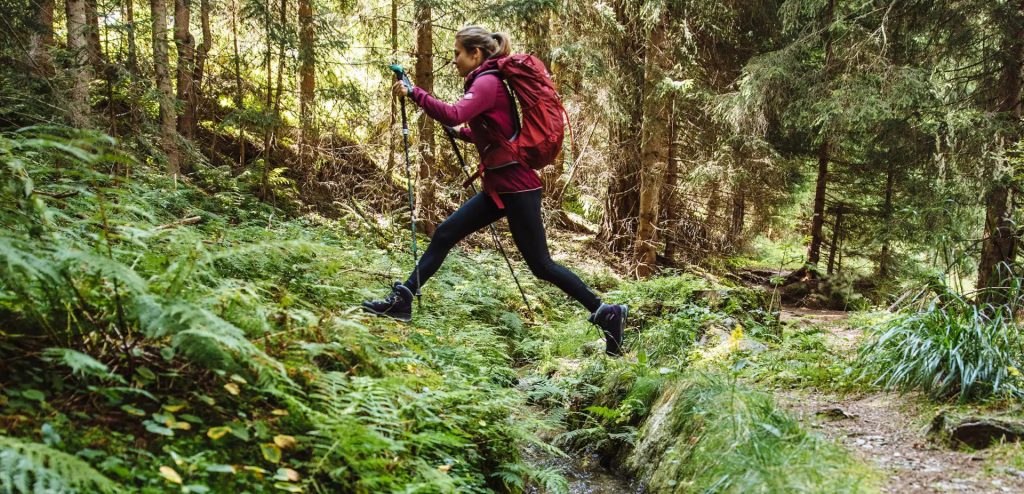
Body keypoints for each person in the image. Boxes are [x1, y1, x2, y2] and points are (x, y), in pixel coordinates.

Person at [362, 25, 628, 356]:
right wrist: (461, 134)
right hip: (501, 186)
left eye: (458, 53)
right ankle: (403, 298)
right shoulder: (486, 82)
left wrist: (415, 93)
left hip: (516, 186)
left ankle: (606, 312)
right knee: (445, 234)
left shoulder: (486, 82)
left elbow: (456, 112)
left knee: (541, 265)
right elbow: (502, 135)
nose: (455, 59)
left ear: (476, 54)